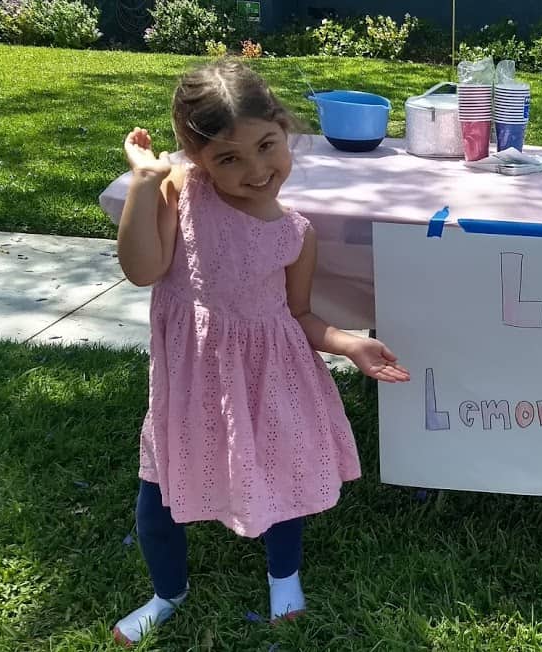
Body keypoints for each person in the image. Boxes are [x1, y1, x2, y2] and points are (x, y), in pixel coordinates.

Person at [112, 59, 410, 646]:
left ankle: (284, 576)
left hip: (271, 378)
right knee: (158, 490)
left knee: (278, 479)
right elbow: (142, 270)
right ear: (198, 161)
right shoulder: (181, 193)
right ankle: (167, 592)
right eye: (228, 158)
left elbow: (299, 317)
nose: (255, 171)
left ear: (283, 128)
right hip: (190, 382)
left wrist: (349, 343)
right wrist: (145, 182)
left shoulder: (296, 233)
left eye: (267, 146)